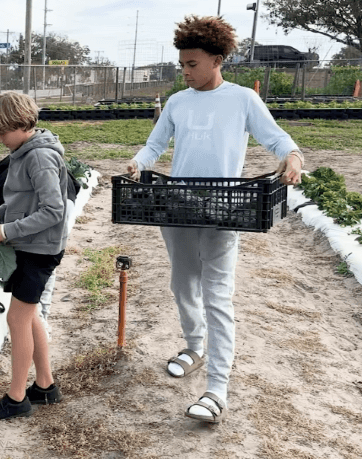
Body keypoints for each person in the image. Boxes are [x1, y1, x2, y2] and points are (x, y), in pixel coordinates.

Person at [127, 15, 305, 424]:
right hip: (178, 206)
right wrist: (138, 163)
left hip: (224, 208)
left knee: (217, 294)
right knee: (181, 282)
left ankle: (217, 387)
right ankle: (194, 347)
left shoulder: (242, 99)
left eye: (192, 64)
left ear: (217, 60)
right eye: (182, 65)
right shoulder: (177, 102)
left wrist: (292, 156)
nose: (185, 71)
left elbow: (276, 137)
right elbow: (155, 145)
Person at [0, 92, 70, 420]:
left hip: (39, 249)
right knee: (28, 317)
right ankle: (45, 386)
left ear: (20, 124)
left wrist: (5, 232)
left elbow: (53, 210)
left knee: (17, 319)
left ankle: (16, 398)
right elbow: (23, 201)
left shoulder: (38, 157)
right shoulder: (23, 151)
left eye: (1, 132)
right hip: (31, 245)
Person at [0, 154, 81, 338]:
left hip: (59, 203)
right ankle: (34, 315)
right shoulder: (10, 174)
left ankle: (40, 315)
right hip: (58, 195)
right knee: (31, 257)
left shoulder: (2, 190)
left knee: (40, 260)